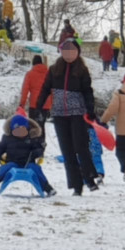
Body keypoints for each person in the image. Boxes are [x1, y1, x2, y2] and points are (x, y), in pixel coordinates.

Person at [36, 37, 98, 196]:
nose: (69, 54)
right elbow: (45, 88)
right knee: (67, 151)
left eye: (72, 51)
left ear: (78, 52)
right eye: (66, 51)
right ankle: (77, 186)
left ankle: (90, 178)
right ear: (61, 52)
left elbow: (87, 91)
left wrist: (91, 110)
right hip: (59, 115)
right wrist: (39, 106)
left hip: (77, 113)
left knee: (81, 147)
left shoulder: (82, 70)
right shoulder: (54, 69)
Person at [0, 114, 55, 197]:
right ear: (12, 129)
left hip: (28, 163)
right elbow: (0, 148)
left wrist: (38, 151)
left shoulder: (31, 138)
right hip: (13, 162)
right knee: (4, 169)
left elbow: (38, 149)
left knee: (36, 169)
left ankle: (48, 188)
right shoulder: (7, 138)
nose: (20, 132)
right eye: (17, 130)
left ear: (27, 128)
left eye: (23, 129)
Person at [19, 54, 52, 146]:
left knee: (33, 126)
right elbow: (52, 90)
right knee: (41, 125)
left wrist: (22, 104)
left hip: (34, 105)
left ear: (33, 64)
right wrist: (50, 106)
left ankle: (34, 146)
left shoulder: (30, 74)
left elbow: (25, 90)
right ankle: (41, 146)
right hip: (45, 105)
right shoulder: (49, 74)